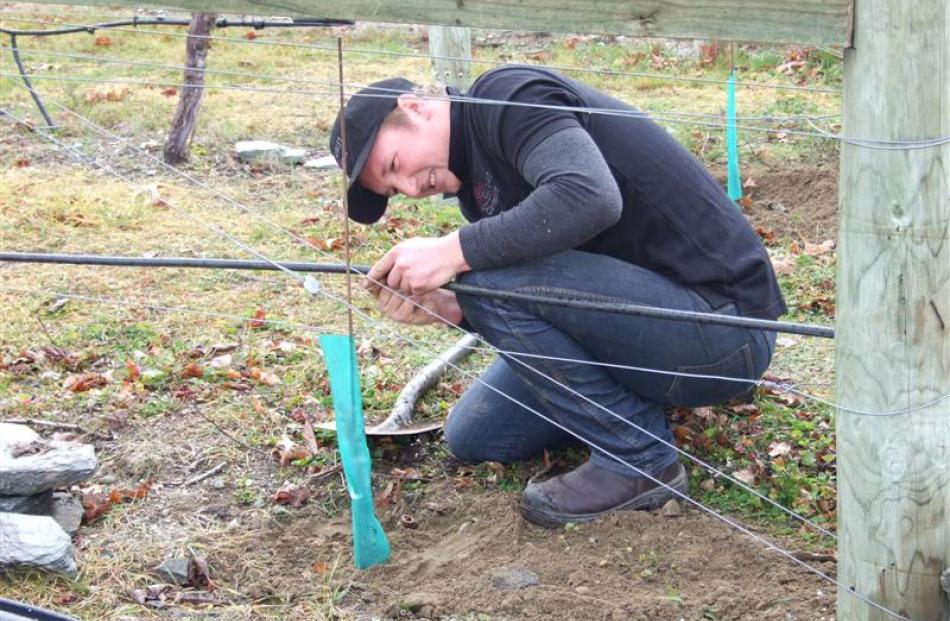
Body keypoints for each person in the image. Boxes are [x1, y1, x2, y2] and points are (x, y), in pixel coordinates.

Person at [329, 66, 785, 528]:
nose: (410, 189)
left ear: (413, 107)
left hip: (726, 330)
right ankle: (630, 405)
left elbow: (590, 196)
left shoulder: (506, 99)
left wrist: (454, 251)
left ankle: (639, 460)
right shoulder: (477, 187)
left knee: (482, 275)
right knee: (478, 435)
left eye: (393, 166)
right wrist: (455, 309)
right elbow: (556, 290)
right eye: (393, 190)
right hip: (656, 329)